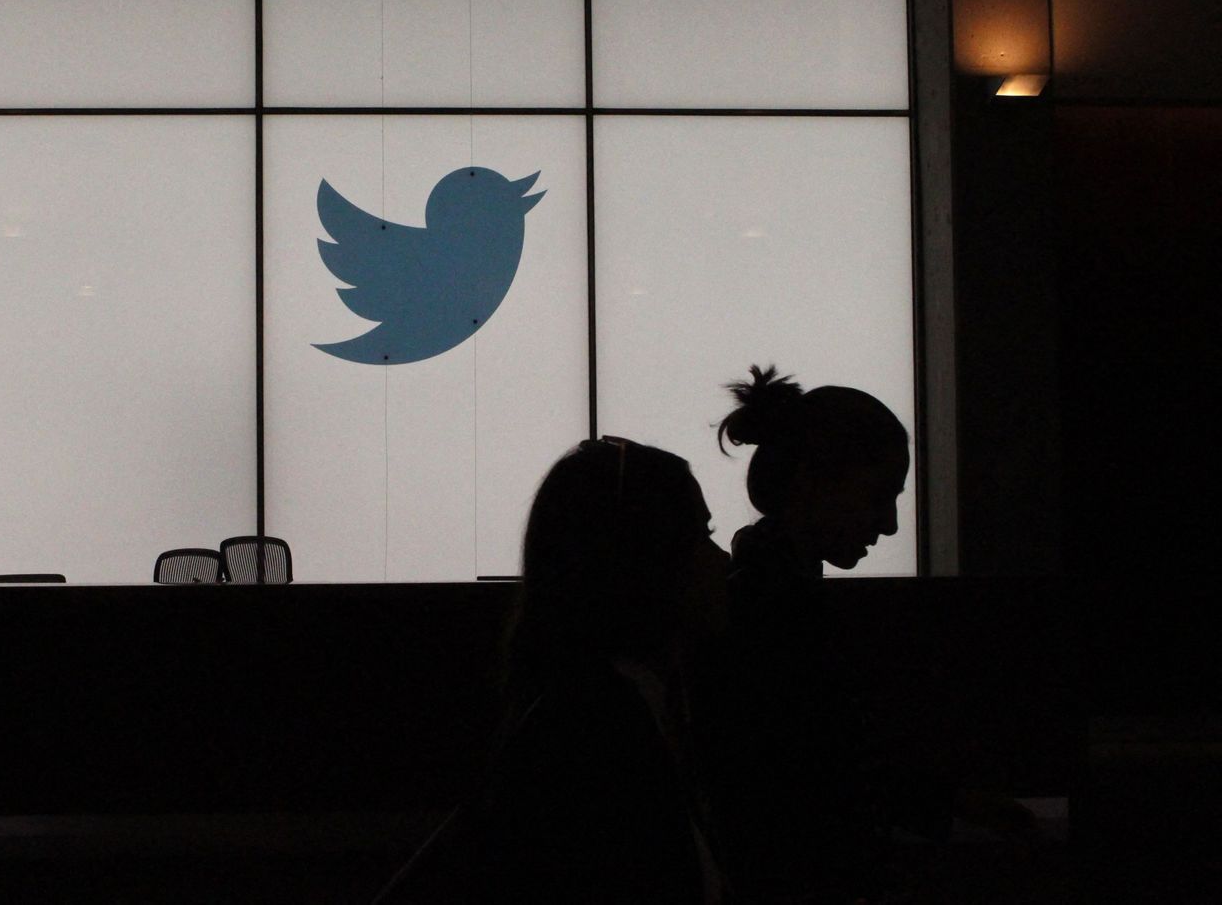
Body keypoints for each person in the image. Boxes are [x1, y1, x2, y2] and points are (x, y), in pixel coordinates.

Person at [377, 437, 731, 903]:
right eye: (701, 535)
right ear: (648, 557)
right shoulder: (604, 734)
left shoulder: (581, 711)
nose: (722, 559)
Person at [709, 365, 941, 905]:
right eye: (878, 496)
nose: (889, 526)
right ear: (812, 480)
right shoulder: (783, 610)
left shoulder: (760, 596)